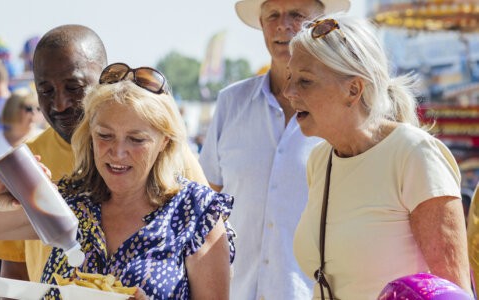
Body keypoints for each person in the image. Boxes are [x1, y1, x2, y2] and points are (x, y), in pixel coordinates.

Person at [0, 63, 235, 299]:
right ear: (88, 136)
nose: (118, 152)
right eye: (104, 135)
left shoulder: (195, 212)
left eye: (136, 139)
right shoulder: (70, 202)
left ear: (164, 143)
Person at [286, 16, 471, 298]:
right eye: (290, 78)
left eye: (305, 81)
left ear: (353, 89)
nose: (289, 92)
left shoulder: (414, 155)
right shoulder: (320, 160)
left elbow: (453, 291)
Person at [198, 0, 350, 299]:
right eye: (272, 15)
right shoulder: (231, 103)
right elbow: (205, 207)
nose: (283, 25)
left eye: (296, 14)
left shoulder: (344, 108)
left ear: (322, 22)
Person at [0, 25, 108, 288]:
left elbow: (206, 248)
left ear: (104, 80)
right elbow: (14, 271)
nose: (60, 103)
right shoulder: (26, 162)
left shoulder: (153, 150)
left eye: (73, 86)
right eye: (46, 90)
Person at [0, 88, 43, 163]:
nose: (34, 112)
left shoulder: (42, 136)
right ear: (13, 109)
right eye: (29, 108)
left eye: (38, 108)